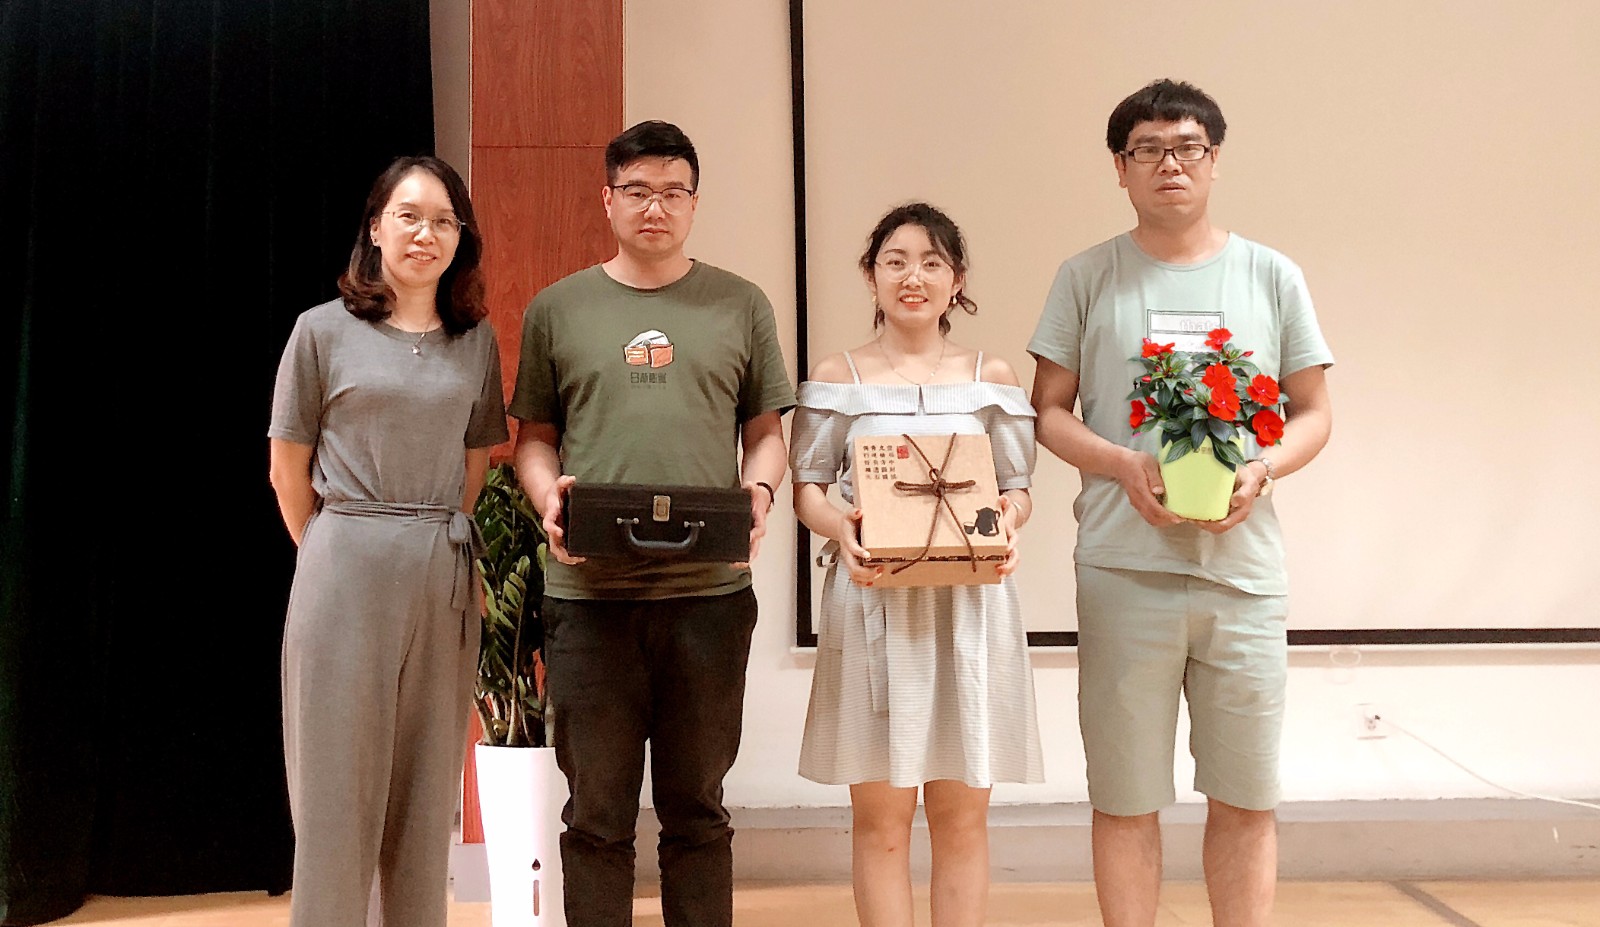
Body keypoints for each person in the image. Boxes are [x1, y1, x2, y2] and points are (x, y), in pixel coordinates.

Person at [1028, 79, 1336, 927]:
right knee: (1125, 794)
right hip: (1124, 570)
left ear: (1214, 159)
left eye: (1188, 147)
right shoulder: (1086, 276)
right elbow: (1048, 410)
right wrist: (1122, 464)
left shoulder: (1272, 275)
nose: (1171, 164)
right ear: (1120, 167)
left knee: (1246, 792)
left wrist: (1262, 469)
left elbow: (1315, 413)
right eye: (1149, 150)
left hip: (1243, 576)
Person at [508, 120, 795, 927]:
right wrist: (548, 497)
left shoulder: (741, 303)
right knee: (595, 815)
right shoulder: (558, 308)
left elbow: (767, 431)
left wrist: (760, 492)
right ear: (608, 200)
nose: (655, 207)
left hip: (709, 596)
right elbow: (534, 438)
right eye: (637, 190)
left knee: (697, 810)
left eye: (673, 191)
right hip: (589, 599)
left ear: (695, 203)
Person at [267, 155, 508, 927]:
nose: (425, 234)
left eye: (443, 220)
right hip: (343, 564)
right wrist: (336, 547)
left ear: (460, 237)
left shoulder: (475, 341)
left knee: (425, 790)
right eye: (408, 216)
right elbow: (286, 468)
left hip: (440, 567)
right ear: (375, 227)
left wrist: (423, 537)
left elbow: (475, 464)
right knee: (335, 791)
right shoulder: (320, 331)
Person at [791, 202, 1044, 927]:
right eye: (896, 261)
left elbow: (1017, 490)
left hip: (970, 607)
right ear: (870, 276)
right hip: (873, 600)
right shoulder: (837, 374)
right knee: (881, 823)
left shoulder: (990, 373)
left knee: (962, 820)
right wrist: (842, 529)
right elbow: (808, 488)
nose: (914, 277)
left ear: (956, 280)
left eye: (932, 262)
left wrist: (1007, 527)